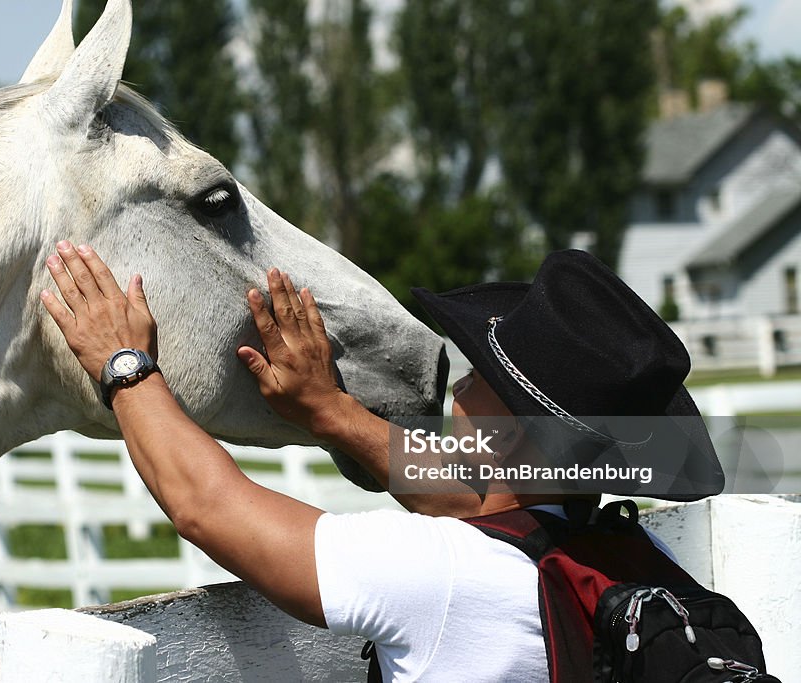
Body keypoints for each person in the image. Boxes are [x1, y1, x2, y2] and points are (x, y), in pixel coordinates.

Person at [39, 242, 722, 682]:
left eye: (481, 379)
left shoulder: (441, 574)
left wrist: (124, 365)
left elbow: (207, 504)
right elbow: (485, 501)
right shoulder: (630, 554)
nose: (457, 388)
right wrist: (329, 411)